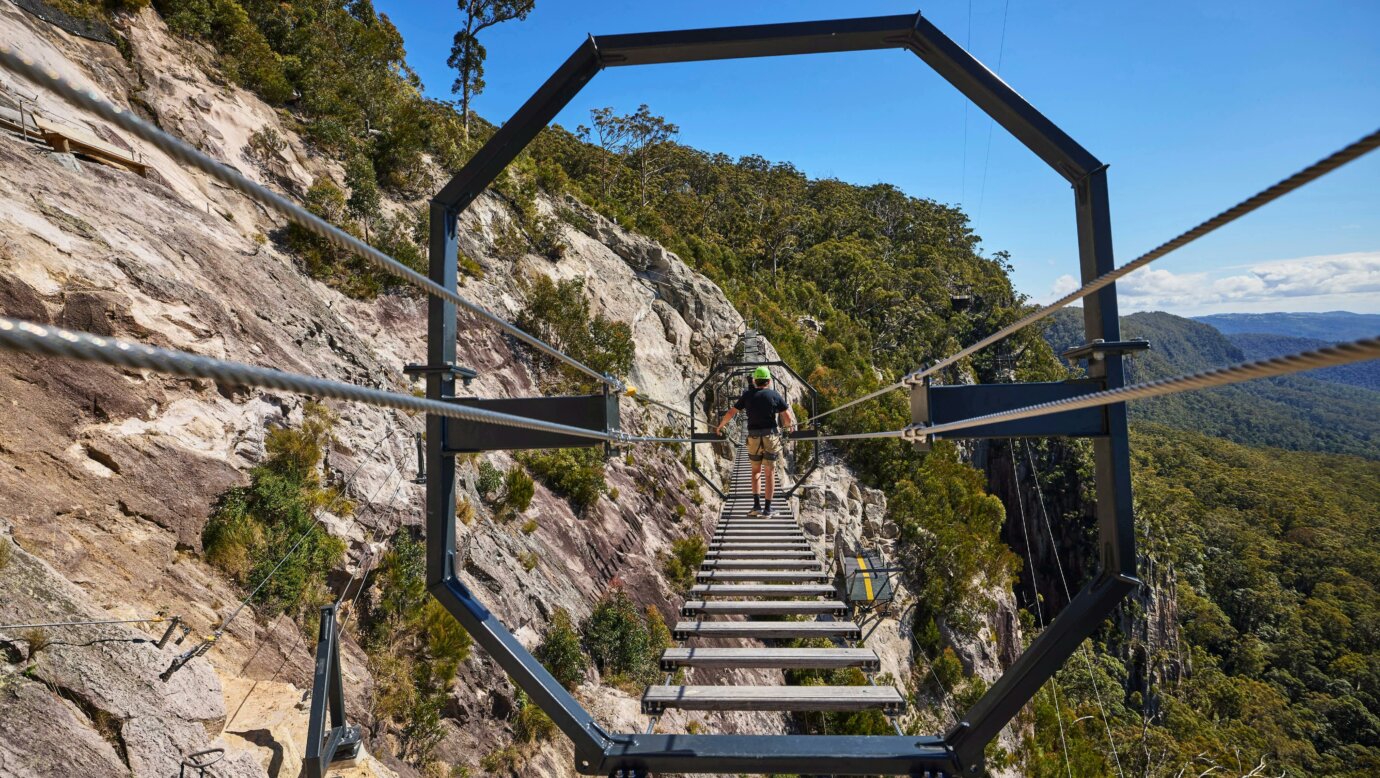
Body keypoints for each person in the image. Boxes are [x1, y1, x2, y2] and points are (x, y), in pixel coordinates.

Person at [714, 366, 795, 517]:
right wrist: (789, 429)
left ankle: (756, 506)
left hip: (753, 438)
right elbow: (787, 416)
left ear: (755, 381)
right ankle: (768, 509)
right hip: (770, 437)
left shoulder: (748, 395)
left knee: (755, 471)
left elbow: (732, 412)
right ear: (769, 381)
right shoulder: (774, 395)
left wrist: (721, 425)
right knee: (769, 473)